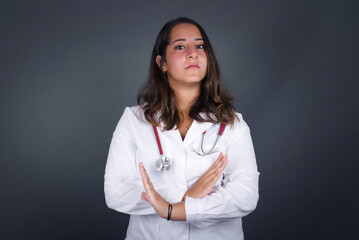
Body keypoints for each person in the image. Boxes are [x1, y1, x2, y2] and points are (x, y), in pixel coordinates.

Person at [104, 17, 259, 240]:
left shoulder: (232, 124)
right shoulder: (134, 120)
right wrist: (189, 195)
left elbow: (245, 196)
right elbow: (116, 192)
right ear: (162, 63)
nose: (192, 53)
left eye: (200, 46)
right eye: (179, 46)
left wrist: (173, 209)